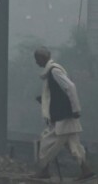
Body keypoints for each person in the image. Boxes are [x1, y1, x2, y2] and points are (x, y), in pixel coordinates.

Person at [31, 47, 95, 180]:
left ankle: (44, 170)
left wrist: (76, 109)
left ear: (42, 58)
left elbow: (70, 87)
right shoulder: (51, 73)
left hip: (63, 117)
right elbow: (58, 94)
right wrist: (45, 101)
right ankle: (86, 170)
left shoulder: (54, 71)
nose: (36, 63)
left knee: (45, 142)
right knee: (74, 146)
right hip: (64, 116)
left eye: (37, 60)